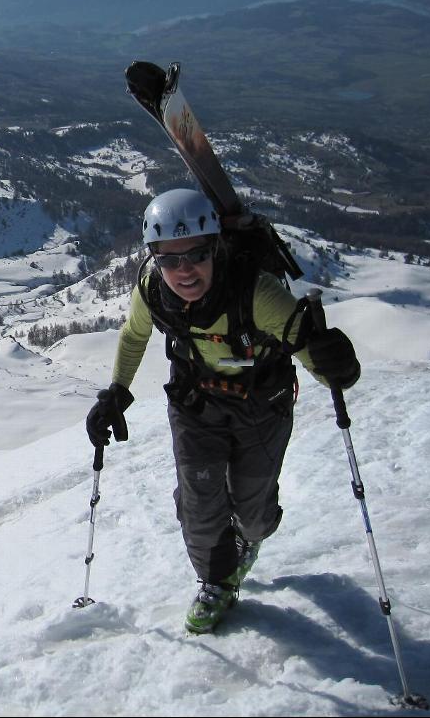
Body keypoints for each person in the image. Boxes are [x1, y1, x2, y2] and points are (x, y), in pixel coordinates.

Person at [86, 188, 361, 634]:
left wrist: (338, 369)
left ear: (215, 247)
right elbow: (134, 336)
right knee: (198, 503)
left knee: (253, 517)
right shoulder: (153, 289)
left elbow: (315, 355)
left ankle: (248, 537)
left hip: (262, 406)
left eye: (195, 254)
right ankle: (217, 580)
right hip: (196, 404)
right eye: (169, 259)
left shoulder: (257, 293)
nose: (183, 270)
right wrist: (117, 392)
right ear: (155, 260)